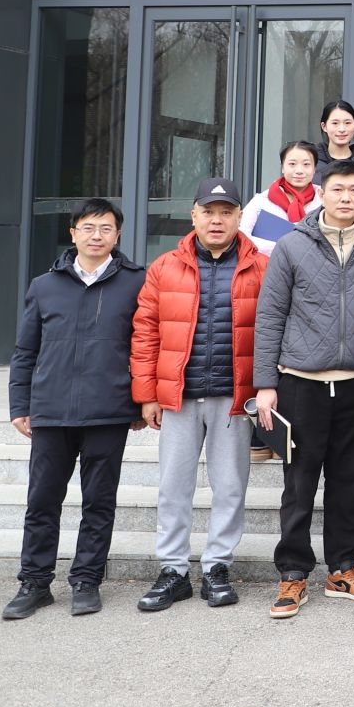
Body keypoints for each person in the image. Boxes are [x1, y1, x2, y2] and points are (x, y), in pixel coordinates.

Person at [252, 161, 354, 620]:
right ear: (322, 194)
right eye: (338, 189)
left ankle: (343, 568)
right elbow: (270, 315)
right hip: (301, 384)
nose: (346, 197)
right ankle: (293, 573)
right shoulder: (293, 245)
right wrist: (265, 384)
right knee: (299, 484)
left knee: (348, 484)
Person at [2, 199, 144, 621]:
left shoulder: (137, 282)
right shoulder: (44, 286)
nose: (96, 236)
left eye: (105, 228)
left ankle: (86, 580)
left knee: (99, 502)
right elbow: (25, 351)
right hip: (52, 409)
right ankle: (34, 582)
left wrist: (140, 400)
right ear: (73, 233)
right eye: (88, 227)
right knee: (42, 500)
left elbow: (144, 346)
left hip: (109, 409)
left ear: (118, 234)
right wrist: (20, 404)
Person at [131, 177, 265, 613]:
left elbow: (273, 332)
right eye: (209, 212)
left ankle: (217, 567)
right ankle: (173, 570)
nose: (217, 220)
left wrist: (266, 390)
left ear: (239, 217)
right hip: (179, 396)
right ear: (194, 215)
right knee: (173, 486)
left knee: (230, 487)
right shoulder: (165, 267)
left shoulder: (261, 266)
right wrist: (147, 394)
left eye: (226, 212)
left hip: (233, 398)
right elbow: (145, 332)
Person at [238, 140, 318, 253]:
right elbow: (242, 236)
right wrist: (284, 248)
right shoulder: (262, 201)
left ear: (314, 169)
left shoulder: (325, 200)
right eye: (292, 164)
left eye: (306, 164)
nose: (299, 171)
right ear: (282, 167)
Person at [318, 99, 354, 164]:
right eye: (335, 123)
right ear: (324, 126)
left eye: (347, 123)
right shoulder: (312, 160)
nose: (342, 129)